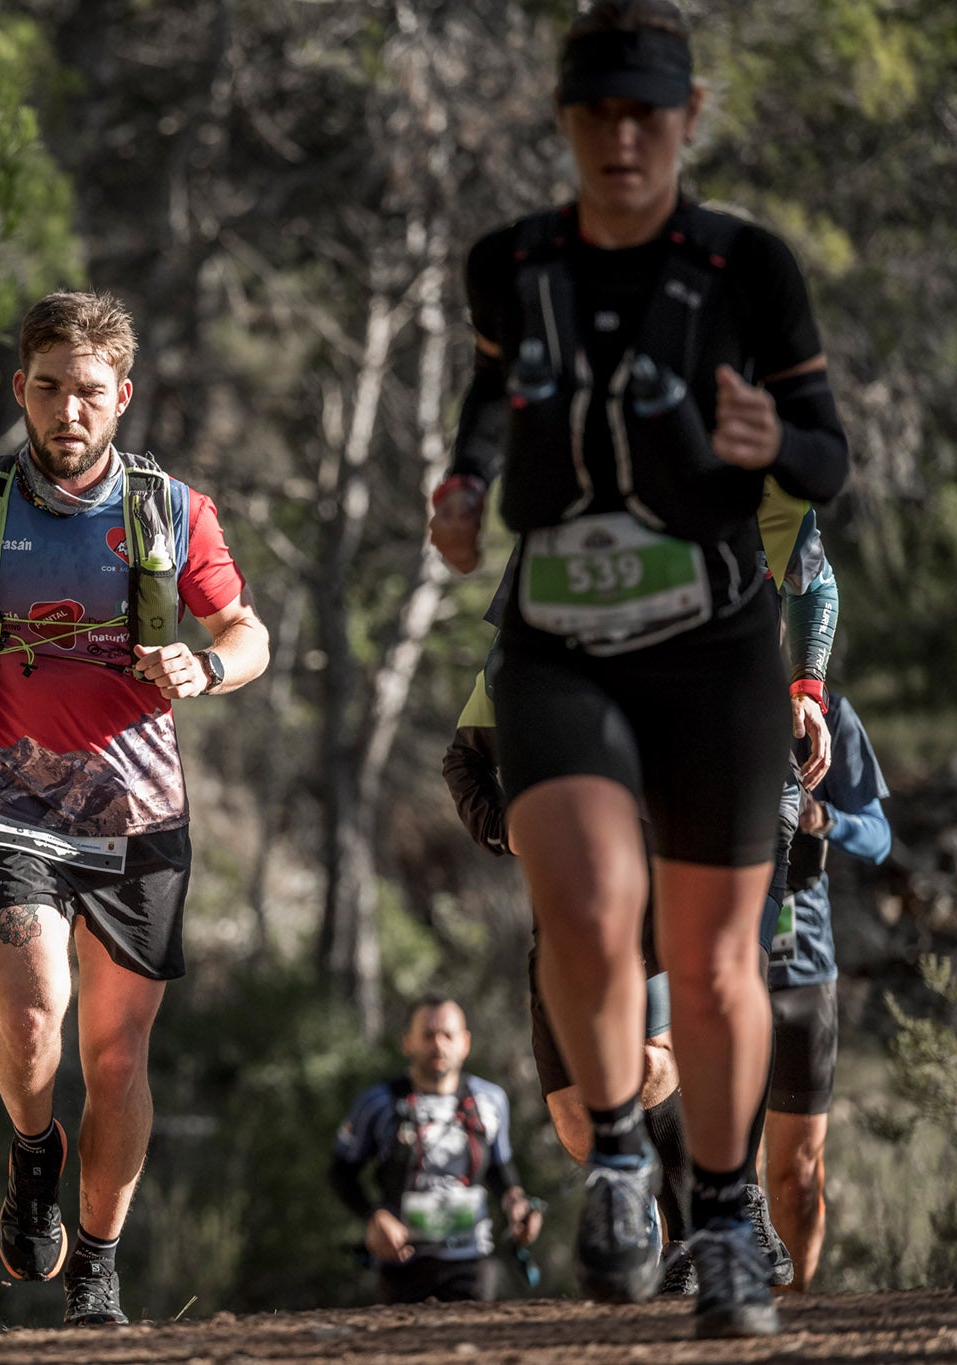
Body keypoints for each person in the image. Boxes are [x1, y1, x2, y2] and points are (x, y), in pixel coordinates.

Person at [427, 0, 849, 1338]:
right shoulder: (513, 263)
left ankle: (723, 1220)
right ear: (565, 122)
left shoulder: (748, 267)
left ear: (687, 120)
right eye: (598, 114)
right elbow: (489, 400)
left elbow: (828, 460)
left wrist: (769, 434)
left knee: (720, 966)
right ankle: (620, 1155)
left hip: (716, 645)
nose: (622, 138)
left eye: (647, 116)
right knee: (586, 904)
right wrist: (464, 481)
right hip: (557, 640)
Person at [0, 291, 269, 1326]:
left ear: (120, 398)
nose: (66, 411)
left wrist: (207, 663)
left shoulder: (169, 511)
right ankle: (30, 1149)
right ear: (21, 390)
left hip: (139, 813)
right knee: (32, 1016)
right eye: (46, 388)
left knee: (117, 1055)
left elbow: (245, 630)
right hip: (6, 794)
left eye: (87, 391)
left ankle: (97, 1257)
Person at [765, 691, 891, 1291]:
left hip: (800, 969)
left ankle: (792, 1318)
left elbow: (878, 839)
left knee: (795, 1179)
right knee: (694, 1170)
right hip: (706, 967)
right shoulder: (696, 687)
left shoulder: (829, 715)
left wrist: (826, 820)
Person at [331, 997, 542, 1303]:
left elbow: (499, 1169)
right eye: (428, 1036)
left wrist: (517, 1206)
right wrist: (373, 1217)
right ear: (408, 1043)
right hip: (402, 1262)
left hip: (472, 1260)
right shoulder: (377, 1104)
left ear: (465, 1042)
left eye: (447, 1035)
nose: (438, 1045)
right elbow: (341, 1174)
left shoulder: (491, 1100)